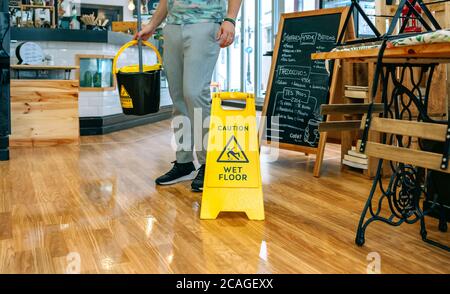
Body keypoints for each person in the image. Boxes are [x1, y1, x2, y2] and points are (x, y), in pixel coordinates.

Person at [135, 0, 242, 192]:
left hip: (206, 23)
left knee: (194, 93)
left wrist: (231, 19)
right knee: (178, 99)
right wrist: (152, 24)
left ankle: (209, 163)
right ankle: (184, 163)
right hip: (172, 27)